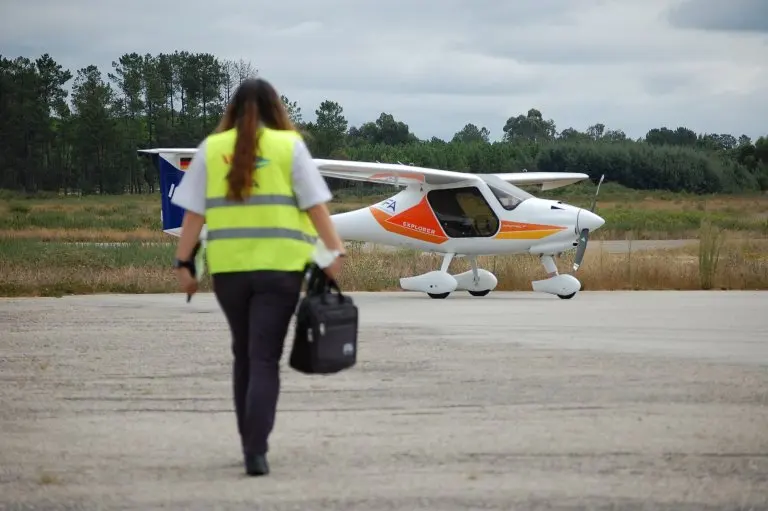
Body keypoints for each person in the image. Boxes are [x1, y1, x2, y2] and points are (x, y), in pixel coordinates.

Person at [168, 77, 346, 477]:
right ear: (275, 109)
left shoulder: (211, 150)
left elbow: (193, 214)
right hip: (280, 270)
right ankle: (255, 448)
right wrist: (334, 251)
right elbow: (316, 207)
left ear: (231, 109)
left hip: (230, 272)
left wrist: (184, 265)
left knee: (244, 353)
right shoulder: (289, 147)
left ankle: (248, 441)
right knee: (265, 356)